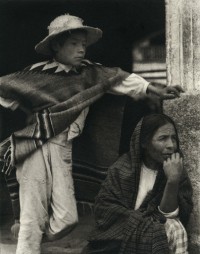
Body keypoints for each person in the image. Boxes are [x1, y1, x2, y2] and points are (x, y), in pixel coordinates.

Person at [0, 14, 184, 254]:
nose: (81, 50)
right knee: (32, 213)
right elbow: (6, 89)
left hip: (63, 147)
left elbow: (122, 79)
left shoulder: (91, 73)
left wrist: (153, 89)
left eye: (83, 44)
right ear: (56, 45)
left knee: (67, 218)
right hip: (34, 145)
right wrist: (24, 106)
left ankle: (27, 233)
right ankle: (27, 240)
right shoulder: (37, 73)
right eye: (74, 44)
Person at [83, 114, 193, 254]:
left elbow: (168, 215)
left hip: (154, 231)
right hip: (118, 237)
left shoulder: (176, 171)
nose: (171, 145)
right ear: (144, 142)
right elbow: (105, 210)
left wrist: (172, 180)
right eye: (162, 138)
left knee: (175, 228)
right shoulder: (121, 169)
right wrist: (143, 224)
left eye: (173, 138)